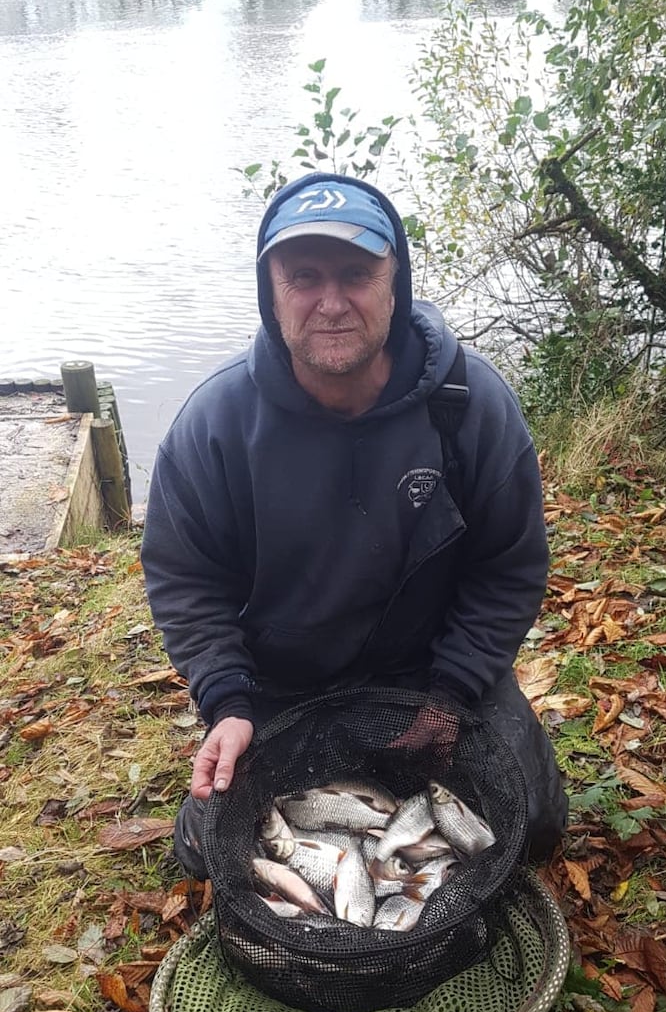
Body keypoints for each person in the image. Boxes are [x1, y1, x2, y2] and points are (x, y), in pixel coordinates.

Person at [141, 173, 567, 876]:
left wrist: (452, 694)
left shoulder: (471, 406)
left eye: (357, 273)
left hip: (431, 667)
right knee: (207, 857)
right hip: (284, 682)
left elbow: (508, 569)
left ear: (395, 282)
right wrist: (228, 701)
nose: (331, 303)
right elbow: (187, 582)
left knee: (534, 829)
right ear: (269, 290)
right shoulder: (213, 426)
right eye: (302, 276)